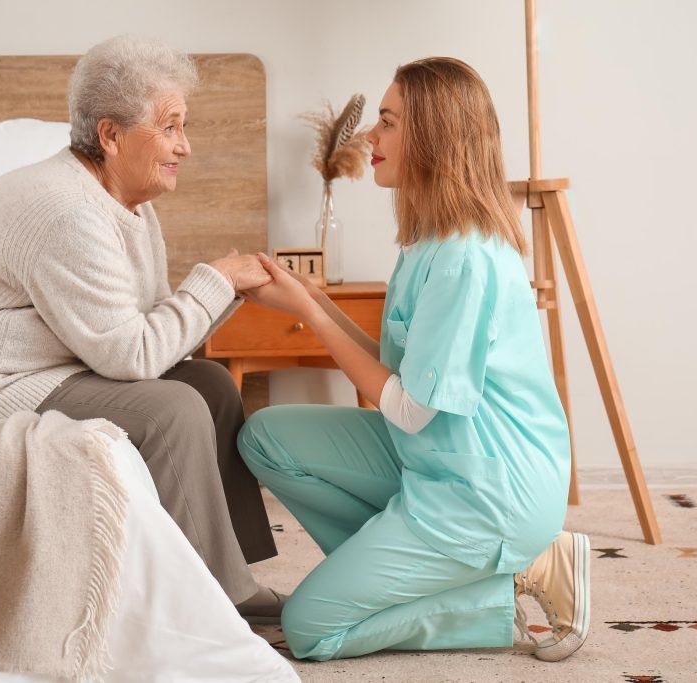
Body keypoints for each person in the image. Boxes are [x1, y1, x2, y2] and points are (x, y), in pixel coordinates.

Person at [0, 34, 285, 622]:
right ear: (110, 134)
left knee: (210, 384)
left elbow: (149, 327)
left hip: (53, 360)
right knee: (170, 409)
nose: (186, 146)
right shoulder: (66, 210)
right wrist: (214, 280)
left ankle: (230, 572)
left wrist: (229, 289)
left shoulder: (128, 202)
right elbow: (133, 357)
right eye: (172, 127)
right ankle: (214, 606)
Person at [236, 57, 591, 661]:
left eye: (388, 122)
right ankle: (403, 581)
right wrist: (309, 298)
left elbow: (407, 408)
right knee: (266, 437)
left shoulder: (462, 259)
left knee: (310, 630)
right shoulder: (428, 239)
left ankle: (506, 587)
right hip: (436, 463)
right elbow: (401, 371)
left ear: (433, 138)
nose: (370, 137)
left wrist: (314, 314)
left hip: (486, 495)